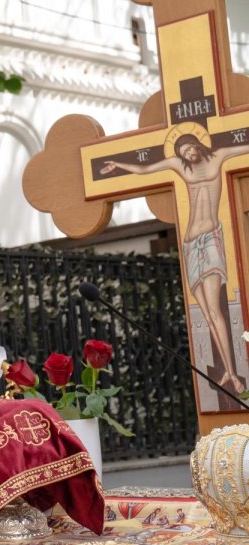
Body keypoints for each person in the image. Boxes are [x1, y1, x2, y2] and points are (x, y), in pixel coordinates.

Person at [101, 126, 249, 396]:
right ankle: (228, 371)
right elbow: (146, 169)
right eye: (183, 151)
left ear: (198, 144)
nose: (188, 153)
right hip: (190, 243)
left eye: (190, 147)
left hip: (210, 239)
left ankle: (233, 372)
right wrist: (117, 164)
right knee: (206, 312)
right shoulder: (180, 166)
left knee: (215, 309)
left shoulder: (219, 156)